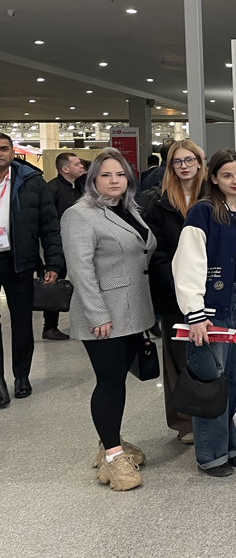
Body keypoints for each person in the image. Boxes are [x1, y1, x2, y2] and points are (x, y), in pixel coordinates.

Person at [63, 148, 156, 491]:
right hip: (104, 314)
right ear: (93, 179)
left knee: (118, 379)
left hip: (132, 310)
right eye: (106, 175)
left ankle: (110, 442)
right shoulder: (79, 215)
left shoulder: (129, 210)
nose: (114, 181)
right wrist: (98, 313)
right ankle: (114, 458)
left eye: (120, 174)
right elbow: (80, 269)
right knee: (109, 381)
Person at [173, 149, 236, 477]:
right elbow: (187, 264)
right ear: (213, 178)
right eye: (227, 175)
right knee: (210, 383)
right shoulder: (202, 212)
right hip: (210, 309)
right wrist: (195, 314)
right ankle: (210, 455)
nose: (235, 181)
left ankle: (229, 444)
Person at [144, 139, 205, 444]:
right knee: (178, 359)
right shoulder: (158, 202)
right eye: (177, 161)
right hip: (172, 293)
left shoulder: (213, 197)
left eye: (189, 160)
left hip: (210, 290)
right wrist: (179, 284)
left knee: (208, 355)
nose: (184, 166)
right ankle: (184, 422)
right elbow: (156, 253)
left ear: (199, 162)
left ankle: (211, 414)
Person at [0, 134, 63, 406]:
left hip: (20, 260)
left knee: (22, 321)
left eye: (3, 148)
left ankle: (21, 376)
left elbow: (49, 225)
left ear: (12, 152)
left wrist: (53, 262)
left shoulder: (31, 182)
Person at [42, 151, 85, 341]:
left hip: (79, 242)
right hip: (59, 245)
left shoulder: (80, 187)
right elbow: (47, 220)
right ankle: (50, 326)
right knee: (56, 282)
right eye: (77, 164)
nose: (81, 166)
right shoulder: (53, 189)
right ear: (65, 169)